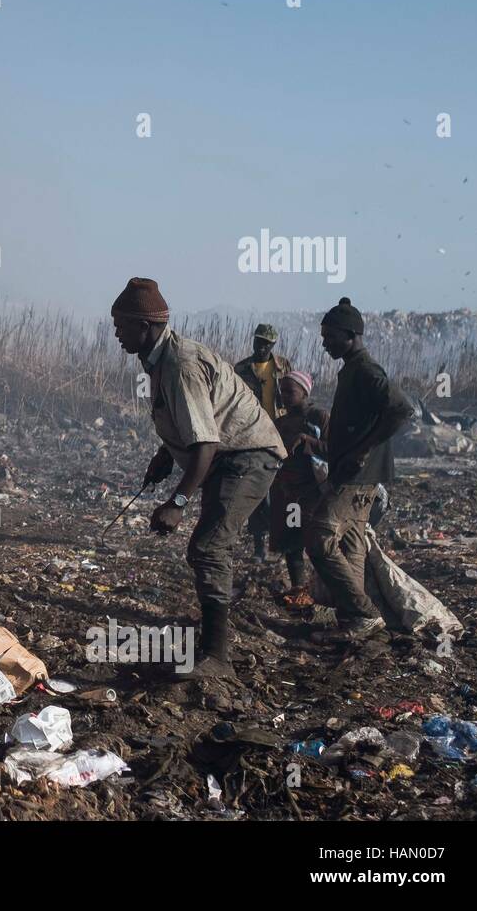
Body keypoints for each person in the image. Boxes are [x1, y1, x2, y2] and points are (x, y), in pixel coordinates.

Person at [112, 278, 286, 677]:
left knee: (208, 547)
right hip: (229, 456)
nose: (118, 334)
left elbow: (205, 444)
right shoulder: (161, 360)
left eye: (122, 326)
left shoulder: (179, 364)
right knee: (207, 548)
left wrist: (177, 503)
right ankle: (214, 636)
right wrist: (164, 456)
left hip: (246, 456)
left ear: (146, 325)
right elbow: (193, 422)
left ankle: (217, 658)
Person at [304, 297, 414, 643]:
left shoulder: (366, 370)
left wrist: (364, 450)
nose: (324, 343)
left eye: (329, 336)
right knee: (351, 544)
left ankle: (360, 612)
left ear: (350, 334)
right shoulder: (353, 368)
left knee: (319, 535)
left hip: (357, 476)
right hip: (357, 475)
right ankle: (354, 621)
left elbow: (401, 407)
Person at [267, 371, 329, 596]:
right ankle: (299, 589)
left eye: (290, 391)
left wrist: (308, 441)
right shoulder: (280, 423)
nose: (284, 396)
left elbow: (334, 450)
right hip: (287, 493)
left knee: (317, 543)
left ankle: (324, 591)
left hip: (312, 492)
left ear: (304, 392)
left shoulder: (318, 418)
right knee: (292, 542)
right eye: (282, 391)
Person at [235, 324, 292, 562]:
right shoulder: (241, 369)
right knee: (257, 490)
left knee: (281, 491)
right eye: (258, 342)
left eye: (266, 344)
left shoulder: (283, 367)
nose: (261, 347)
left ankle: (280, 545)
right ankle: (259, 546)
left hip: (280, 432)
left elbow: (293, 394)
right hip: (254, 434)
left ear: (273, 345)